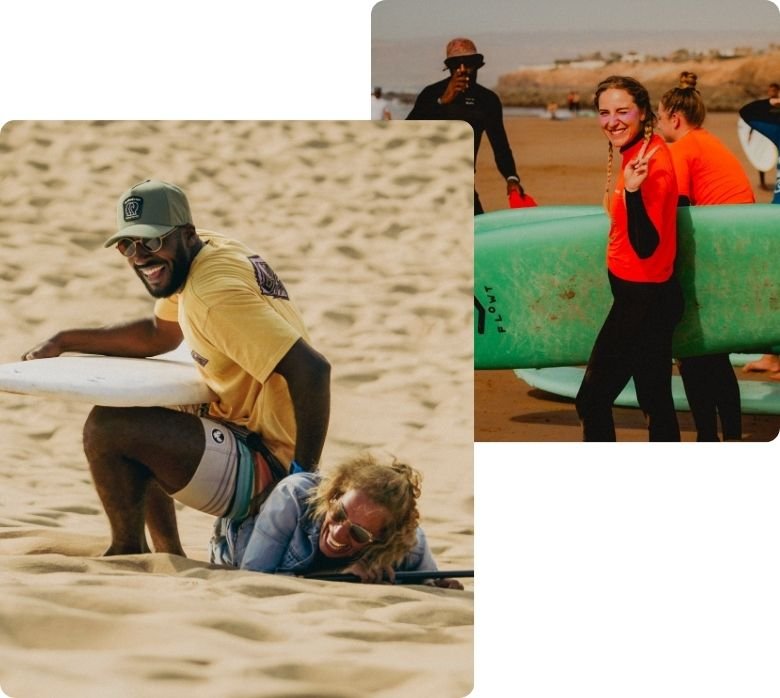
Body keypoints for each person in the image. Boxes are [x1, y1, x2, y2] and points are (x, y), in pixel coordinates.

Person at [23, 179, 332, 557]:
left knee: (108, 429)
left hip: (268, 465)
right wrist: (65, 340)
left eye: (152, 242)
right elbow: (159, 335)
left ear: (186, 234)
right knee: (140, 411)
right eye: (127, 244)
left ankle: (129, 552)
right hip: (245, 432)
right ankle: (169, 557)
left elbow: (313, 371)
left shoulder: (212, 295)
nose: (140, 257)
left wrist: (300, 484)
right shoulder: (205, 252)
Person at [575, 76, 684, 441]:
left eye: (623, 111)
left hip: (642, 300)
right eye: (604, 112)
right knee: (655, 400)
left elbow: (646, 245)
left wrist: (634, 194)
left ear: (642, 112)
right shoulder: (639, 151)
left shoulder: (652, 165)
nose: (612, 121)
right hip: (649, 296)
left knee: (591, 400)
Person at [656, 72, 756, 441]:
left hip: (716, 258)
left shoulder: (681, 149)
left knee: (695, 353)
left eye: (659, 115)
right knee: (714, 354)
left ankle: (707, 437)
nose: (658, 120)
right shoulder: (708, 141)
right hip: (736, 252)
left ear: (674, 119)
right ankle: (726, 435)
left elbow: (678, 210)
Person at [210, 453, 464, 588]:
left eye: (359, 534)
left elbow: (428, 582)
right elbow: (253, 578)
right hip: (234, 548)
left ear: (384, 540)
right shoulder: (293, 497)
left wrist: (440, 587)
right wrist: (335, 574)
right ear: (334, 495)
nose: (339, 533)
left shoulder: (409, 542)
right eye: (339, 514)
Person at [406, 37, 523, 215]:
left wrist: (511, 177)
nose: (462, 70)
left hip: (463, 187)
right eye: (456, 64)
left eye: (469, 63)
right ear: (448, 67)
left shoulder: (487, 100)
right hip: (425, 186)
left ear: (478, 65)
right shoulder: (432, 94)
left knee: (477, 240)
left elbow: (500, 146)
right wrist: (441, 102)